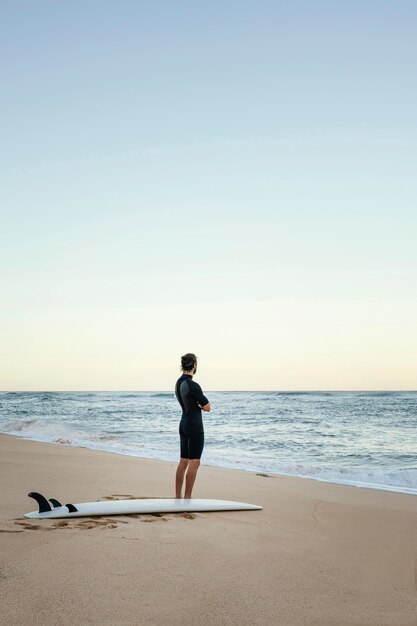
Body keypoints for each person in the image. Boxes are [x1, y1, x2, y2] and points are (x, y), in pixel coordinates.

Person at [175, 353, 211, 498]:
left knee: (183, 461)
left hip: (183, 424)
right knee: (194, 462)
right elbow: (208, 407)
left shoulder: (178, 383)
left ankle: (178, 497)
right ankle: (187, 498)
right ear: (194, 365)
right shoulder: (194, 385)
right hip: (194, 426)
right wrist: (201, 406)